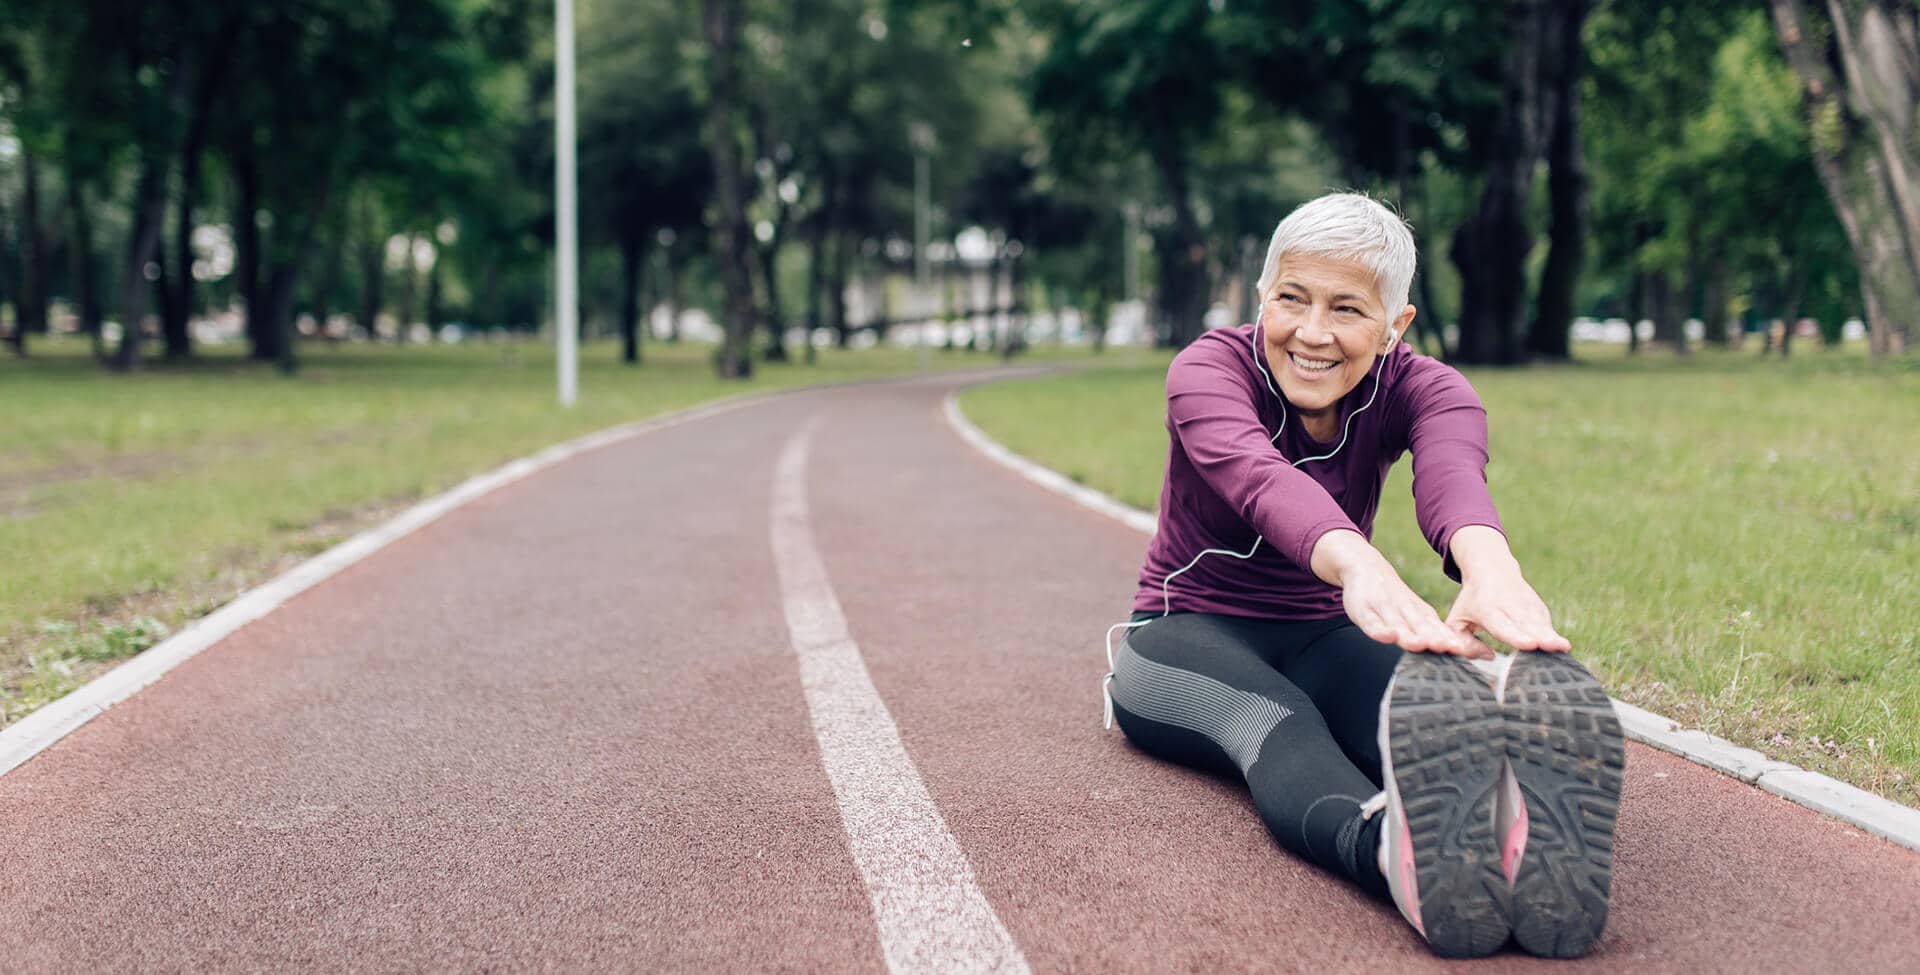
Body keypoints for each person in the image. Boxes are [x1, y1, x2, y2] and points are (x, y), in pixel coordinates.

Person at [1104, 193, 1626, 960]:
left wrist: (1491, 568)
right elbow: (1258, 479)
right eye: (1291, 299)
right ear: (1260, 296)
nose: (1312, 333)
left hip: (1325, 636)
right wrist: (1357, 562)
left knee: (1436, 707)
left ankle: (1512, 841)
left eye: (1347, 309)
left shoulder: (1430, 388)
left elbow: (1453, 476)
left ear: (1394, 325)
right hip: (1181, 636)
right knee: (1278, 722)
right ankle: (1396, 857)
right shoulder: (1206, 371)